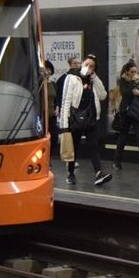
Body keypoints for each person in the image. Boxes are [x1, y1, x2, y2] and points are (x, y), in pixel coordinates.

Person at [58, 57, 111, 187]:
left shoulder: (93, 81)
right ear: (82, 64)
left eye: (92, 66)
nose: (88, 67)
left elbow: (103, 95)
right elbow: (66, 101)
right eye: (86, 64)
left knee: (93, 145)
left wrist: (95, 78)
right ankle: (70, 173)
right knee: (74, 147)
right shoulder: (72, 78)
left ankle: (99, 173)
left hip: (90, 117)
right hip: (75, 118)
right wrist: (64, 125)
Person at [113, 61, 139, 171]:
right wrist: (132, 83)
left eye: (136, 71)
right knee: (122, 137)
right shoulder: (123, 81)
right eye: (132, 71)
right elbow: (125, 93)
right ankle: (117, 161)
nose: (134, 73)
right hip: (126, 112)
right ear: (127, 72)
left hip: (136, 112)